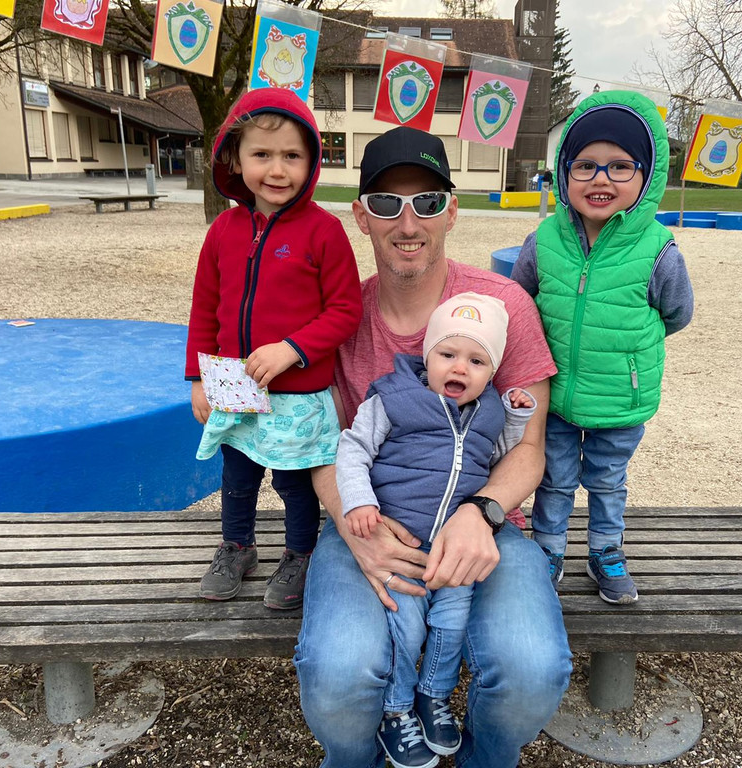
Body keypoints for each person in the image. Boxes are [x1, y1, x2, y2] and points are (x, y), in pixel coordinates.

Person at [294, 126, 572, 768]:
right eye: (386, 203)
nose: (407, 221)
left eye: (426, 201)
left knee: (531, 672)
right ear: (360, 215)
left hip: (485, 520)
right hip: (372, 517)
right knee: (337, 678)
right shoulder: (335, 318)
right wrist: (356, 528)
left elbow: (529, 446)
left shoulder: (502, 307)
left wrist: (483, 512)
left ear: (451, 211)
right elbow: (323, 445)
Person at [336, 292, 536, 767]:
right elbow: (353, 448)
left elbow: (501, 454)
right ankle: (395, 708)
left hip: (456, 547)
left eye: (477, 361)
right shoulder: (394, 398)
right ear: (427, 356)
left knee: (451, 623)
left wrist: (518, 416)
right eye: (447, 354)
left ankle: (433, 694)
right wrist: (359, 500)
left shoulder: (490, 411)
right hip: (400, 540)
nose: (460, 368)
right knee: (405, 626)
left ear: (492, 371)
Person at [511, 89, 694, 604]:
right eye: (586, 166)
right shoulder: (543, 241)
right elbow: (518, 302)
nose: (601, 179)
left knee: (608, 480)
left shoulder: (658, 249)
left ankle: (605, 550)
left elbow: (678, 313)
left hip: (619, 397)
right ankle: (548, 550)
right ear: (564, 172)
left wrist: (630, 350)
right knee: (553, 478)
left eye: (620, 167)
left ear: (646, 176)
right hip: (555, 395)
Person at [185, 88, 362, 610]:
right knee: (237, 477)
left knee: (294, 482)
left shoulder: (324, 231)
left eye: (292, 155)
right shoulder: (223, 230)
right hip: (234, 385)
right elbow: (205, 307)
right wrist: (197, 378)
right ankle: (237, 547)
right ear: (235, 159)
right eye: (262, 154)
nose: (278, 170)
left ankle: (299, 554)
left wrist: (292, 348)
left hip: (298, 392)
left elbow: (345, 310)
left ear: (312, 162)